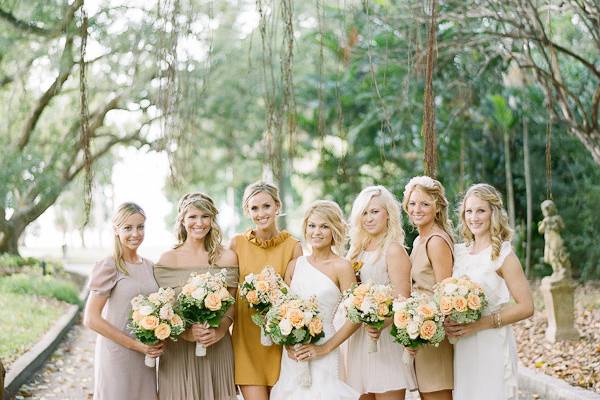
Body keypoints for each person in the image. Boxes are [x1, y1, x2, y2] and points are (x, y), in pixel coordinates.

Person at [446, 183, 533, 400]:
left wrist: (480, 324)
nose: (474, 217)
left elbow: (527, 307)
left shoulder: (503, 255)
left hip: (491, 341)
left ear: (493, 213)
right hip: (464, 346)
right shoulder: (460, 253)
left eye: (480, 210)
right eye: (469, 211)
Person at [271, 200, 360, 400]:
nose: (316, 232)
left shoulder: (342, 267)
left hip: (325, 350)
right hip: (293, 354)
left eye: (324, 226)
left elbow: (357, 316)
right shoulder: (294, 265)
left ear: (334, 230)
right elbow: (280, 313)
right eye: (312, 226)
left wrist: (323, 348)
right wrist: (287, 345)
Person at [154, 192, 238, 400]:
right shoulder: (168, 260)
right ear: (182, 220)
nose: (199, 223)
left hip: (216, 346)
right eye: (192, 216)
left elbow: (232, 304)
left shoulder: (227, 257)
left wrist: (219, 331)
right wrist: (186, 333)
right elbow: (164, 308)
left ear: (212, 219)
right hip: (178, 351)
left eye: (205, 216)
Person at [84, 202, 163, 400]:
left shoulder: (150, 266)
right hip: (117, 355)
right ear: (116, 230)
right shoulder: (109, 266)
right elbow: (91, 319)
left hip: (145, 356)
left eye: (140, 227)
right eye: (128, 228)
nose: (135, 233)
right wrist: (136, 345)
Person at [231, 181, 302, 400]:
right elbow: (227, 292)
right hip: (246, 343)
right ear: (247, 211)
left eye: (266, 206)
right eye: (254, 208)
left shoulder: (292, 246)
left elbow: (298, 295)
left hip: (280, 343)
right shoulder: (236, 244)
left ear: (277, 206)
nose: (261, 213)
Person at [346, 186, 414, 400]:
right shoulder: (356, 251)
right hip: (359, 339)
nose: (368, 218)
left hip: (385, 338)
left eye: (374, 211)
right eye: (364, 213)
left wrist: (379, 323)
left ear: (388, 214)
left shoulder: (393, 250)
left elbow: (404, 299)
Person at [402, 176, 455, 400]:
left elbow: (445, 296)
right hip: (420, 330)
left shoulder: (436, 241)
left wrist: (423, 326)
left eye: (424, 204)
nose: (417, 209)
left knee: (435, 394)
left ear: (437, 207)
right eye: (412, 203)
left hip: (434, 334)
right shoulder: (418, 240)